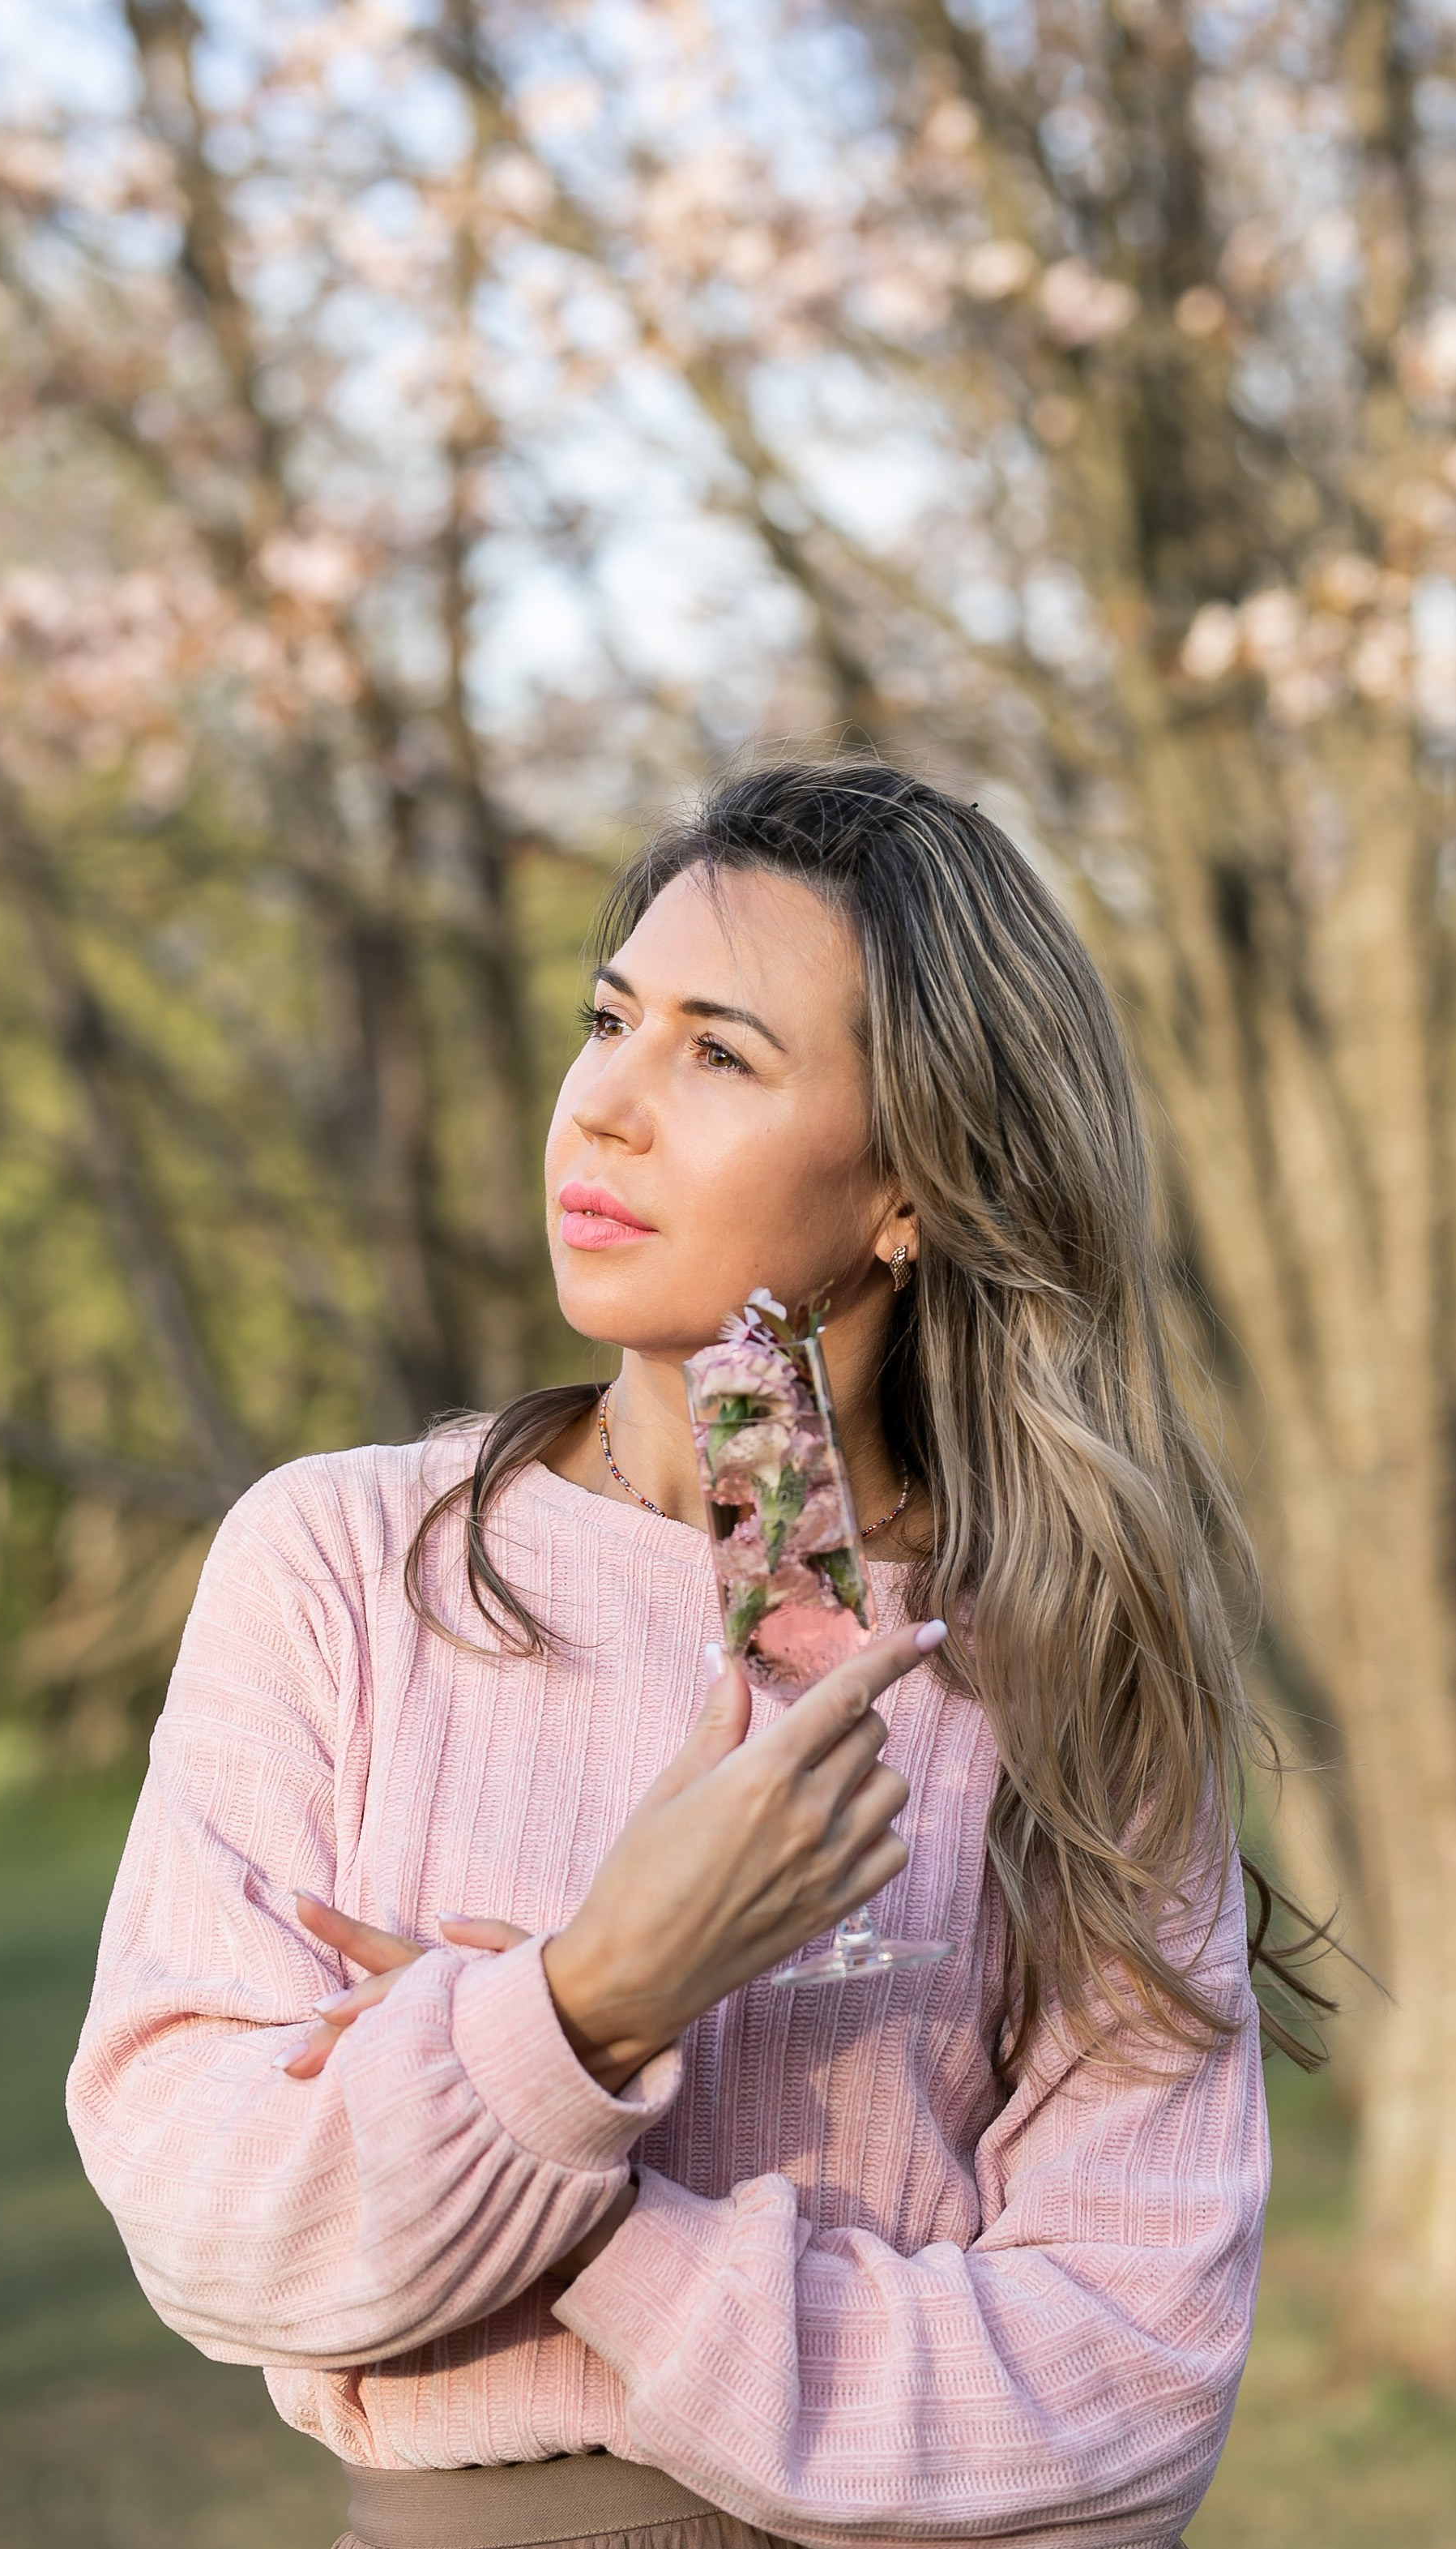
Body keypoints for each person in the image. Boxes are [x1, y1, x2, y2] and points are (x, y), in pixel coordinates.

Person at [68, 763, 1319, 2549]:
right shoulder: (342, 1564)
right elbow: (214, 2220)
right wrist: (587, 2001)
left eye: (717, 1053)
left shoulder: (1067, 1671)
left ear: (911, 1184)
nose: (602, 1109)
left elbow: (1120, 2390)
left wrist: (560, 2186)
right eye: (607, 1021)